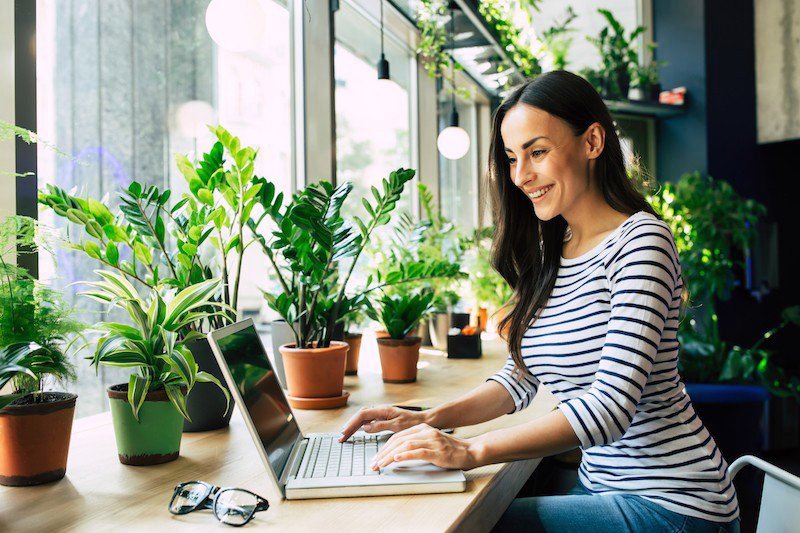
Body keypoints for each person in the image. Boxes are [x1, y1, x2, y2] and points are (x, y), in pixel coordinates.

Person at [339, 71, 740, 532]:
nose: (521, 175)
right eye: (512, 158)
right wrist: (429, 417)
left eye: (537, 152)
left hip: (674, 503)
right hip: (602, 487)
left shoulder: (641, 242)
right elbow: (519, 379)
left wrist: (472, 450)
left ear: (592, 142)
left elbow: (610, 407)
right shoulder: (558, 248)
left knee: (476, 525)